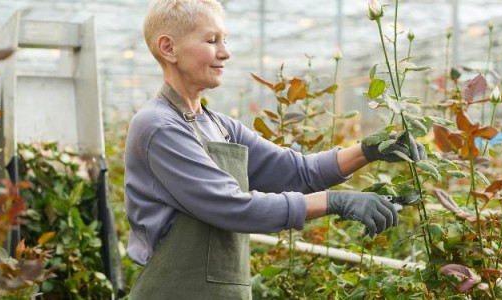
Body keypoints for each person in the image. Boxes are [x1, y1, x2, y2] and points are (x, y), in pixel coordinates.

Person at [124, 0, 427, 298]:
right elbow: (230, 206)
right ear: (168, 48)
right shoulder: (160, 125)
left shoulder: (220, 126)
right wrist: (334, 202)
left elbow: (296, 172)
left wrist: (367, 151)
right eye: (211, 40)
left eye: (224, 40)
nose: (225, 52)